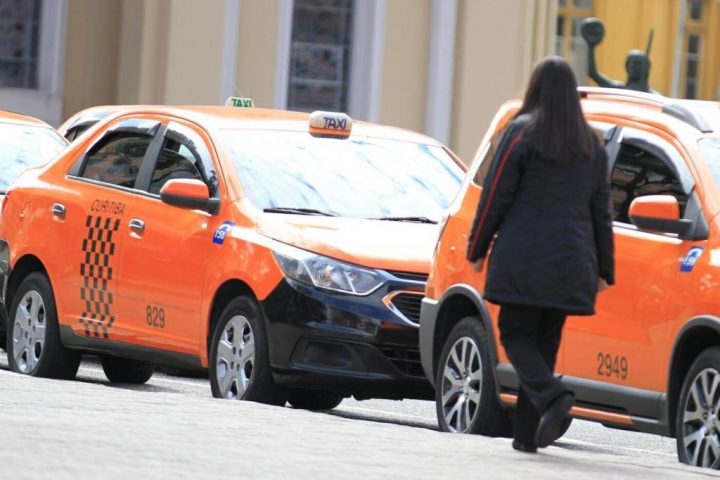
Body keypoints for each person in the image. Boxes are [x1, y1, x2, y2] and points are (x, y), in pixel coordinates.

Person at [466, 56, 615, 453]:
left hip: (523, 257)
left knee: (515, 333)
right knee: (545, 343)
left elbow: (496, 196)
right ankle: (527, 438)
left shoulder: (520, 133)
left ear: (536, 89)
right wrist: (605, 269)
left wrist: (477, 248)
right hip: (573, 263)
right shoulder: (592, 145)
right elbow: (602, 211)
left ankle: (551, 396)